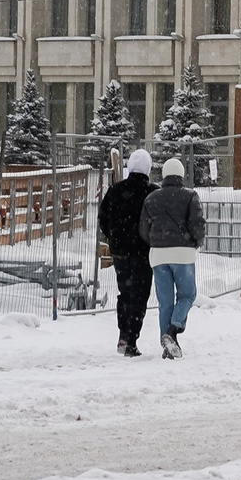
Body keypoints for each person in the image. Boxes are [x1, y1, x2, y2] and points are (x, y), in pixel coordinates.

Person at [140, 156, 208, 359]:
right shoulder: (190, 196)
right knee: (187, 295)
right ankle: (173, 329)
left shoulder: (151, 198)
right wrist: (195, 241)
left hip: (158, 255)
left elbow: (143, 228)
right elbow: (197, 223)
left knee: (165, 301)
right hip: (183, 253)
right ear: (181, 175)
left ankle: (168, 346)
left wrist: (154, 242)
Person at [100, 149, 158, 356]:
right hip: (143, 252)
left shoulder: (115, 190)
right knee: (140, 295)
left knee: (124, 293)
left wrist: (113, 237)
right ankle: (132, 340)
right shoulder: (153, 192)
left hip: (120, 252)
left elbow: (103, 218)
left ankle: (123, 335)